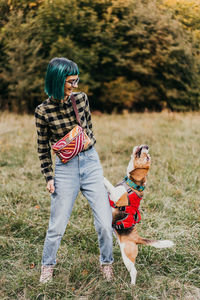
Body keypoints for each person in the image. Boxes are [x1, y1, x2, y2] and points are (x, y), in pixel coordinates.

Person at [35, 57, 114, 283]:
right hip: (65, 169)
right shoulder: (43, 111)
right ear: (57, 80)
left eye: (76, 80)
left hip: (90, 163)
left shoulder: (81, 100)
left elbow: (90, 131)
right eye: (70, 81)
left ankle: (107, 262)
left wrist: (89, 141)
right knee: (57, 225)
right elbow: (42, 148)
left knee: (104, 223)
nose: (75, 85)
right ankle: (47, 266)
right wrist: (49, 177)